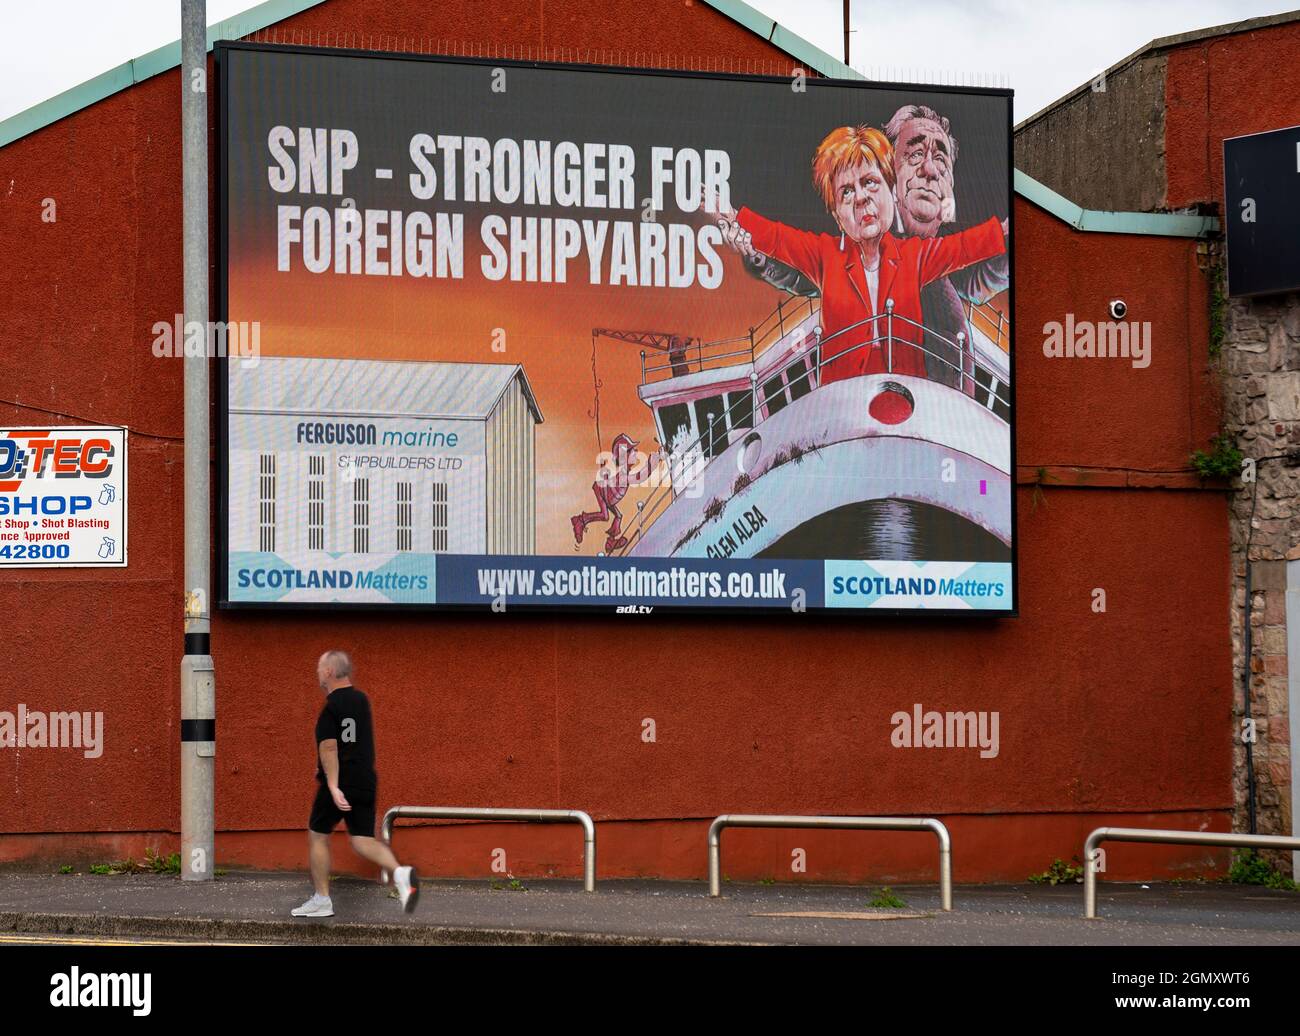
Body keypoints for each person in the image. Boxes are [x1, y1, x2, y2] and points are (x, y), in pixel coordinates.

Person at [740, 106, 1010, 391]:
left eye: (940, 159)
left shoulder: (942, 256)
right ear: (889, 174)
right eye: (915, 154)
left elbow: (984, 269)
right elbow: (799, 269)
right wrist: (756, 252)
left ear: (950, 183)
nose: (930, 170)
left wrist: (1008, 236)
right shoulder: (857, 238)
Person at [291, 650, 418, 918]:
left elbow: (329, 747)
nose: (316, 672)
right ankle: (401, 873)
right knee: (361, 839)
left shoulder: (331, 706)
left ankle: (322, 899)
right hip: (365, 779)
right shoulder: (361, 700)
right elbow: (353, 742)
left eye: (318, 667)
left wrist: (334, 785)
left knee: (318, 835)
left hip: (341, 781)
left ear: (328, 672)